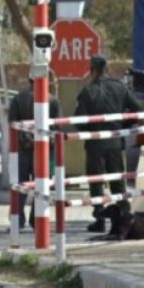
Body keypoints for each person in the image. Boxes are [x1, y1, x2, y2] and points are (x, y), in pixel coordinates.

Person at [76, 54, 143, 234]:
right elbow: (138, 110)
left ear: (91, 70)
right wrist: (123, 125)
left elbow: (79, 121)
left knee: (96, 182)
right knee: (117, 181)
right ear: (107, 69)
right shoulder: (120, 88)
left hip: (95, 144)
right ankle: (124, 219)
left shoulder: (88, 91)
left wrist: (89, 130)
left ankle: (99, 219)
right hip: (115, 141)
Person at [8, 73, 61, 230]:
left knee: (21, 185)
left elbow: (12, 123)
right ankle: (36, 220)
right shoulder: (53, 100)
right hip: (44, 151)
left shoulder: (18, 99)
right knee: (42, 185)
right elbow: (57, 126)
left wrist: (25, 139)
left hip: (22, 149)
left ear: (29, 79)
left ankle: (18, 220)